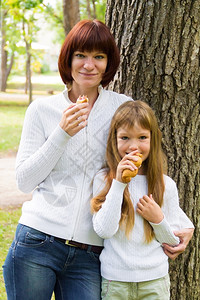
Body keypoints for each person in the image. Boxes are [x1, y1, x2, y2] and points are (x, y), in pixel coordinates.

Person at [2, 20, 193, 300]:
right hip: (37, 241)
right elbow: (24, 181)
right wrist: (61, 134)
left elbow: (145, 169)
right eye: (80, 55)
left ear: (108, 63)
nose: (88, 65)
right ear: (68, 59)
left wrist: (183, 223)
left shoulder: (121, 106)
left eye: (98, 57)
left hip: (90, 254)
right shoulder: (42, 110)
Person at [91, 100, 194, 300]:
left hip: (154, 281)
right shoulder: (104, 180)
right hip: (115, 281)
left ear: (152, 139)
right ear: (114, 140)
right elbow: (104, 230)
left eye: (142, 137)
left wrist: (158, 220)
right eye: (125, 137)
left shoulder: (165, 185)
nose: (133, 146)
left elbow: (172, 242)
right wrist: (119, 183)